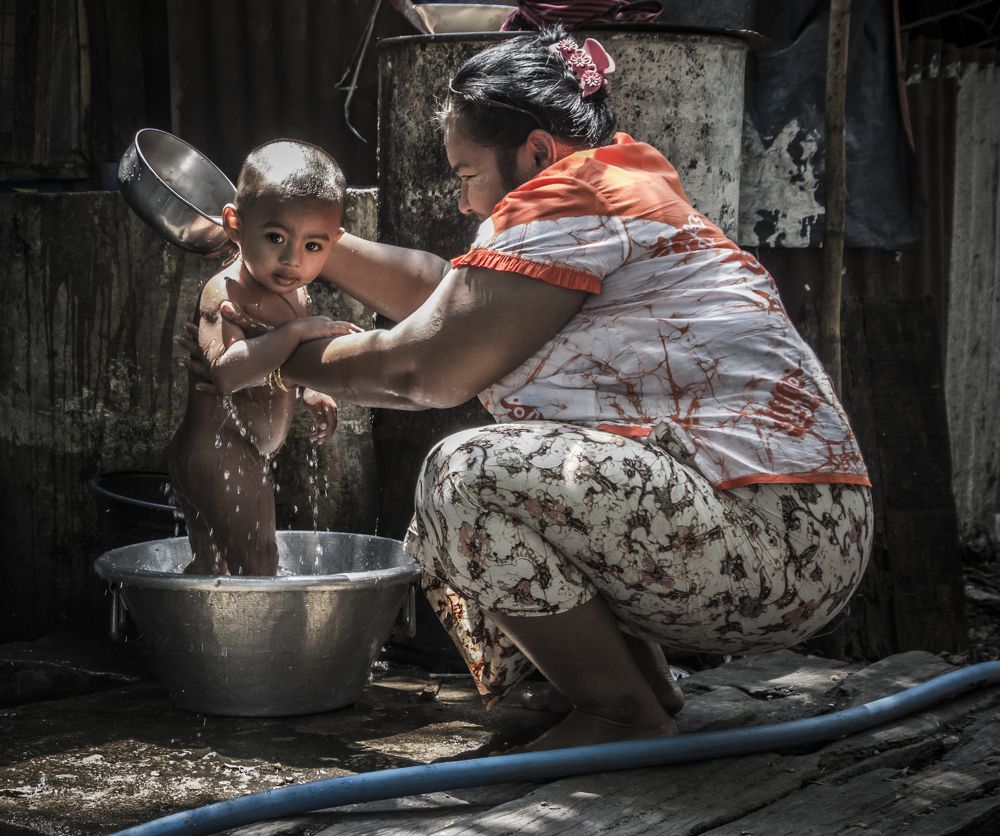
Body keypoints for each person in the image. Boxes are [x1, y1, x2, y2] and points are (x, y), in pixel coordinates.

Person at [186, 28, 873, 749]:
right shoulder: (608, 187)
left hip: (774, 537)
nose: (462, 201)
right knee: (489, 492)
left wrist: (278, 352)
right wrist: (301, 241)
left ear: (537, 152)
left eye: (465, 175)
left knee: (466, 477)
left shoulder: (570, 197)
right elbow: (447, 290)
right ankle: (642, 694)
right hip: (798, 529)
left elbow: (424, 368)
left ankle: (616, 713)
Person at [169, 139, 360, 576]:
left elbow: (278, 362)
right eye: (275, 237)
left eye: (314, 246)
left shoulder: (290, 287)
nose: (292, 259)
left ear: (335, 242)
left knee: (214, 567)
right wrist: (296, 332)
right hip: (218, 452)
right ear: (235, 224)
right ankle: (260, 645)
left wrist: (308, 389)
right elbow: (225, 374)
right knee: (258, 563)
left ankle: (194, 637)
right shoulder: (228, 292)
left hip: (241, 451)